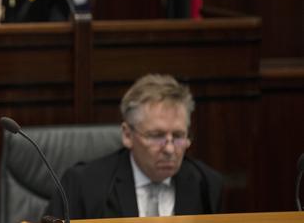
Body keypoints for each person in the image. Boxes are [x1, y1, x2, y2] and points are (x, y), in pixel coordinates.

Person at [46, 74, 222, 219]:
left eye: (178, 136)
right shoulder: (83, 184)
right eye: (156, 136)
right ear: (127, 135)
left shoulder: (206, 184)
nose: (169, 149)